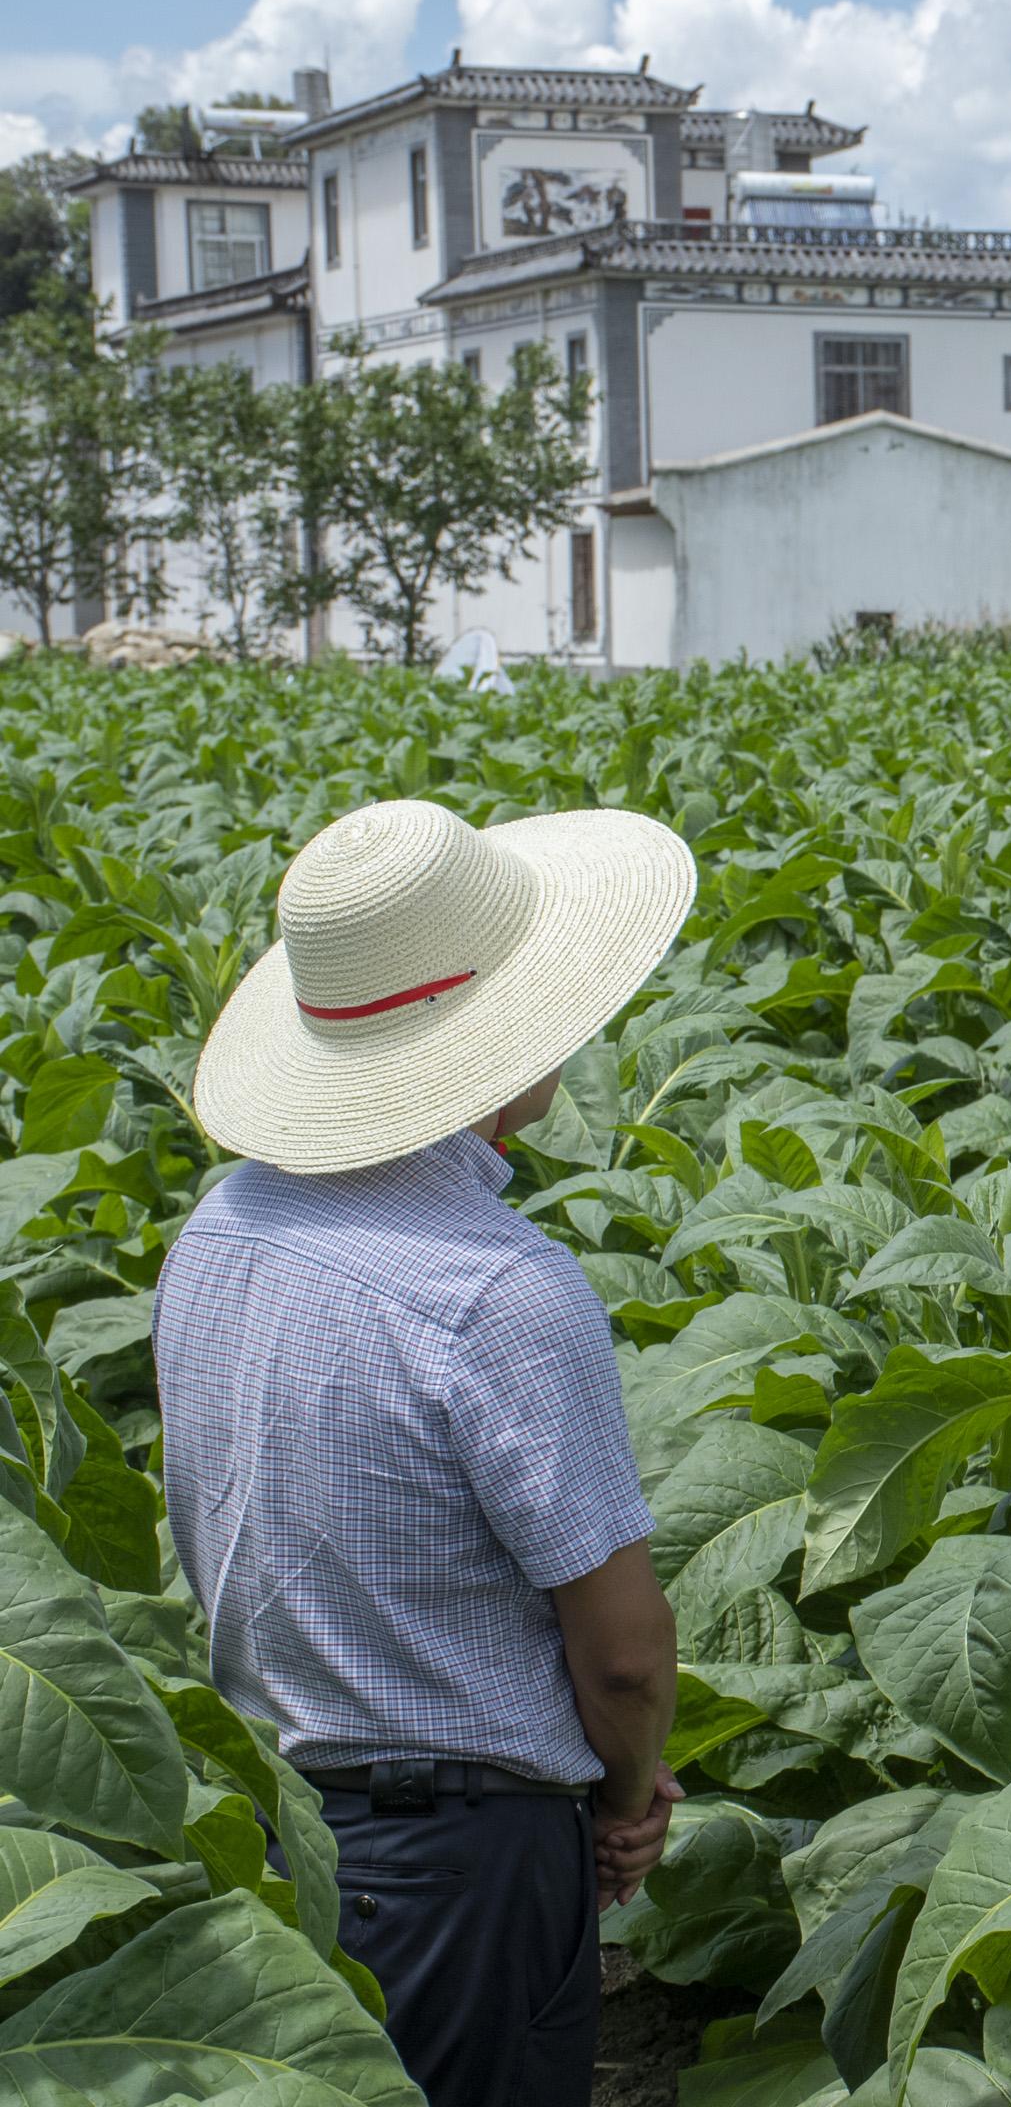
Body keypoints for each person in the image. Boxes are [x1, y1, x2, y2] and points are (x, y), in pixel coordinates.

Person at [156, 797, 698, 2107]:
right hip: (460, 1861)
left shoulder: (215, 1232)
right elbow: (623, 1655)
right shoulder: (500, 1294)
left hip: (270, 1825)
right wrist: (629, 1798)